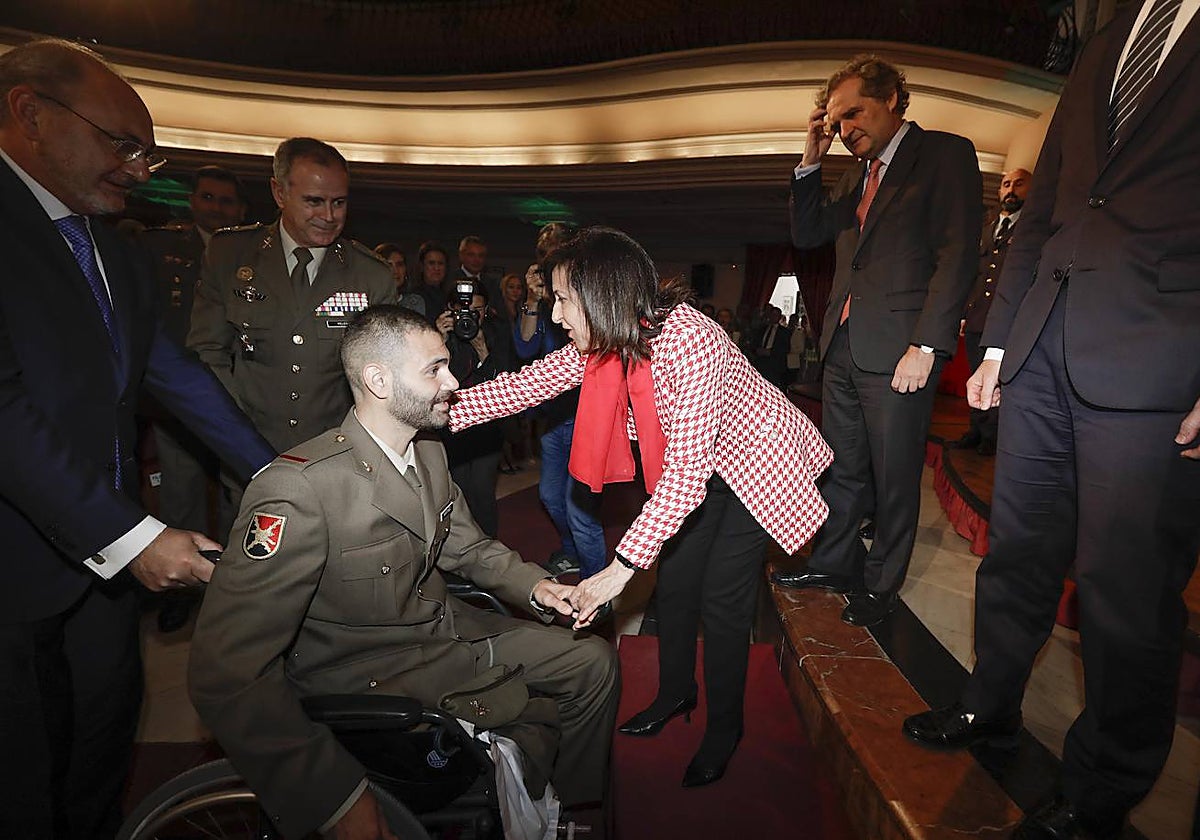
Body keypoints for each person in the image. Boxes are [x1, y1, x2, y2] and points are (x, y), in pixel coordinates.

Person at [903, 4, 1200, 838]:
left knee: (1124, 597)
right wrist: (998, 342)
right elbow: (1046, 213)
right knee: (1018, 557)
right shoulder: (1106, 42)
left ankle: (1103, 786)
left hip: (1162, 364)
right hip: (1039, 347)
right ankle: (988, 706)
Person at [189, 304, 618, 840]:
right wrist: (335, 797)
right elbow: (226, 673)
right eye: (434, 369)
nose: (455, 381)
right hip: (376, 672)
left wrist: (537, 586)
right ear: (378, 380)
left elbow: (466, 548)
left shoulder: (430, 453)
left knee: (594, 661)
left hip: (443, 631)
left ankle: (571, 811)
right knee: (546, 700)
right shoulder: (300, 491)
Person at [0, 39, 274, 839]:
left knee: (100, 750)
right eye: (123, 145)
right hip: (17, 564)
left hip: (100, 573)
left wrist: (279, 470)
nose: (137, 171)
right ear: (30, 116)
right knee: (20, 776)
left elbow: (174, 376)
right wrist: (132, 533)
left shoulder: (120, 252)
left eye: (146, 156)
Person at [450, 226, 832, 787]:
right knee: (675, 586)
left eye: (564, 300)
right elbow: (525, 386)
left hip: (754, 466)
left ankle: (725, 727)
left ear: (602, 295)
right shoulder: (606, 338)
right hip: (697, 467)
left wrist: (617, 573)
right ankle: (676, 693)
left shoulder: (689, 340)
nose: (556, 316)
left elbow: (684, 476)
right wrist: (433, 410)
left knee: (723, 600)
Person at [771, 54, 981, 627]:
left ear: (891, 98)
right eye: (836, 121)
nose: (845, 129)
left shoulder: (944, 154)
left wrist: (930, 346)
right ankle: (836, 561)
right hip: (843, 345)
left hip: (900, 352)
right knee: (842, 468)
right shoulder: (851, 174)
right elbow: (808, 232)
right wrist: (811, 162)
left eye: (854, 113)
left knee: (893, 475)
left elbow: (957, 255)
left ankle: (883, 581)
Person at [188, 137, 396, 528]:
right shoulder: (230, 254)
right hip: (247, 454)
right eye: (314, 201)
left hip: (334, 459)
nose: (329, 215)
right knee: (251, 576)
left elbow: (383, 378)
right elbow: (207, 352)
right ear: (279, 192)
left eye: (339, 202)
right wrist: (237, 434)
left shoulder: (371, 274)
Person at [142, 165, 249, 632]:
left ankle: (231, 589)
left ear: (241, 209)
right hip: (175, 400)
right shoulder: (160, 249)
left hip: (236, 395)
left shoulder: (252, 256)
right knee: (182, 492)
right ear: (193, 201)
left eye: (226, 201)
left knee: (237, 495)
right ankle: (184, 590)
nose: (216, 208)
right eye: (208, 198)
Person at [513, 226, 607, 581]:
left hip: (588, 416)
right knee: (551, 496)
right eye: (543, 254)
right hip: (555, 417)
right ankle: (571, 554)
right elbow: (524, 349)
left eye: (556, 253)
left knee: (581, 509)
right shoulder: (545, 303)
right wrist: (535, 300)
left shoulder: (586, 300)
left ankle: (597, 584)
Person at [950, 167, 1031, 457]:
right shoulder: (987, 229)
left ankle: (995, 438)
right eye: (1006, 184)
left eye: (1019, 184)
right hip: (977, 319)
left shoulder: (1032, 230)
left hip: (1010, 323)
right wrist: (963, 313)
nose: (1010, 189)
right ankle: (977, 431)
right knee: (976, 375)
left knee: (1002, 382)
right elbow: (973, 275)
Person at [433, 282, 517, 537]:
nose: (471, 316)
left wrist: (483, 350)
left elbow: (509, 383)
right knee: (459, 490)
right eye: (464, 310)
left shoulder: (498, 332)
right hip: (452, 427)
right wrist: (438, 342)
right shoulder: (437, 336)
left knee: (481, 489)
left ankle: (488, 543)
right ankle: (465, 549)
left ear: (487, 310)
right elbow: (432, 382)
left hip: (487, 428)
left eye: (478, 310)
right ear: (451, 309)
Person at [412, 240, 449, 322]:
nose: (436, 268)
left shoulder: (450, 296)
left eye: (440, 263)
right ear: (421, 266)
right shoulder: (414, 297)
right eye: (431, 263)